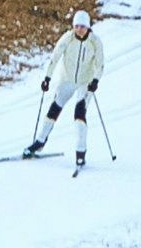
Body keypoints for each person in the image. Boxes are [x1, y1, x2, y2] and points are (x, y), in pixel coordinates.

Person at [23, 10, 105, 166]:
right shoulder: (68, 38)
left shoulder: (95, 41)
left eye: (83, 26)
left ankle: (80, 152)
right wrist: (47, 78)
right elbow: (55, 57)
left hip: (85, 82)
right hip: (67, 79)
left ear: (88, 27)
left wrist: (95, 80)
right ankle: (40, 142)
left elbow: (100, 64)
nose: (79, 29)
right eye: (77, 26)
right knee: (54, 109)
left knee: (79, 114)